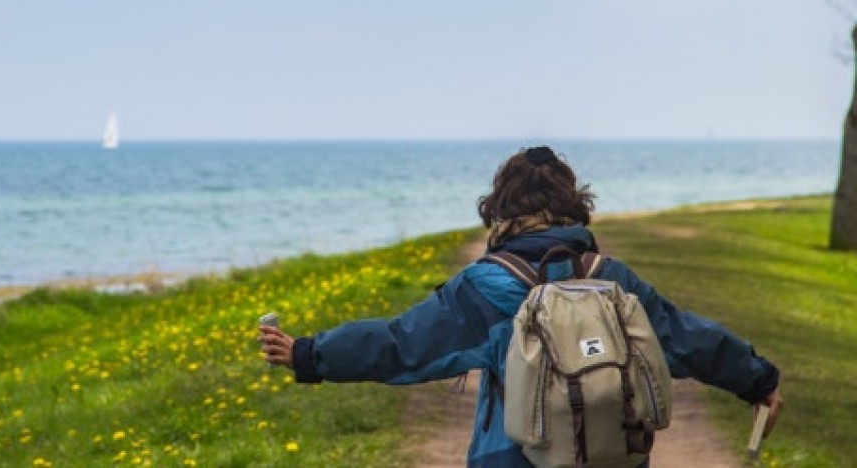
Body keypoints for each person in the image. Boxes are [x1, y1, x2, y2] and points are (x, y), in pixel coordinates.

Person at [259, 146, 783, 467]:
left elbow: (402, 345)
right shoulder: (612, 279)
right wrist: (756, 380)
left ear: (500, 209)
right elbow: (687, 339)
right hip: (613, 455)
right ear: (575, 206)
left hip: (510, 457)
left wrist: (310, 354)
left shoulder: (486, 286)